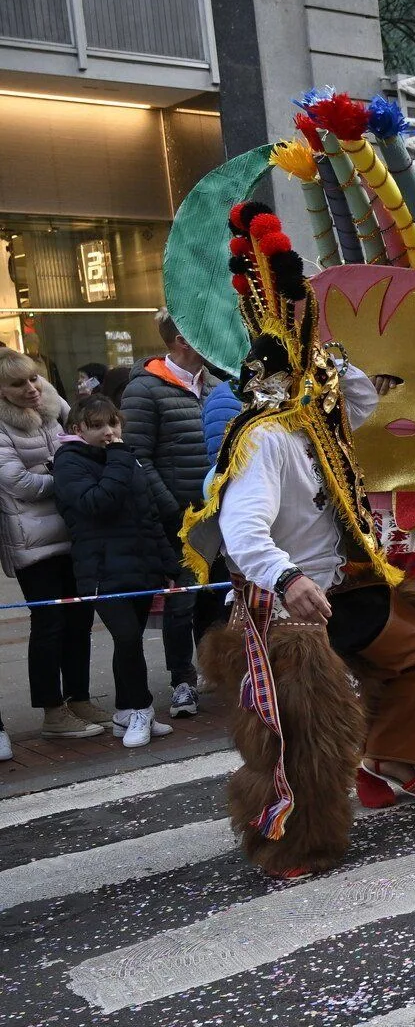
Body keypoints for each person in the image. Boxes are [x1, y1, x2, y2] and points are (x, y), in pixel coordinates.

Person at [184, 201, 415, 877]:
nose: (329, 383)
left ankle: (388, 760)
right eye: (314, 371)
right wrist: (290, 580)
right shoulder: (264, 440)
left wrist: (329, 360)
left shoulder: (319, 421)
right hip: (284, 606)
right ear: (283, 381)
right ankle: (293, 844)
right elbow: (240, 531)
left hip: (343, 584)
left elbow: (364, 402)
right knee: (306, 733)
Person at [50, 396, 183, 747]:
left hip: (140, 565)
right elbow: (98, 503)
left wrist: (170, 564)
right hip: (101, 569)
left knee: (131, 641)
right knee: (125, 637)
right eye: (98, 426)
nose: (109, 432)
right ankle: (141, 708)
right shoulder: (70, 462)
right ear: (78, 429)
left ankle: (125, 712)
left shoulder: (125, 459)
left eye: (114, 423)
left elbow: (148, 513)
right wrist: (121, 458)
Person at [0, 349, 106, 738]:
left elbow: (81, 436)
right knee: (48, 624)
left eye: (32, 378)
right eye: (17, 384)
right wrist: (68, 479)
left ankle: (79, 697)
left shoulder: (49, 400)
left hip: (72, 532)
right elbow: (18, 484)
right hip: (32, 541)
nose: (30, 388)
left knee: (80, 619)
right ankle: (52, 710)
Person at [124, 310, 221, 719]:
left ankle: (216, 672)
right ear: (182, 339)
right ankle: (183, 680)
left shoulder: (216, 385)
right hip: (179, 518)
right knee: (182, 603)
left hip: (219, 513)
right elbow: (137, 457)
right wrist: (172, 509)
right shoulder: (144, 389)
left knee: (216, 600)